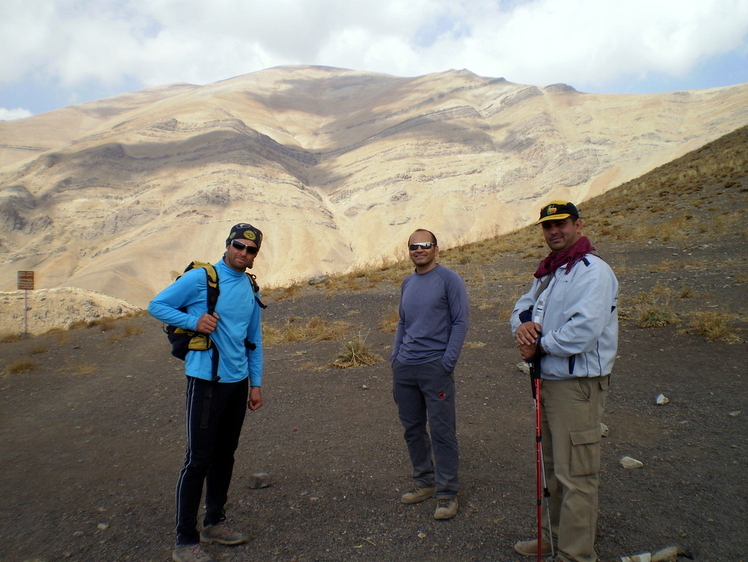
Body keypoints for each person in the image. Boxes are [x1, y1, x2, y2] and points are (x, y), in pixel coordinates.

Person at [148, 223, 265, 562]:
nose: (243, 253)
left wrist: (255, 384)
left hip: (237, 381)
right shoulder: (203, 278)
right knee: (198, 459)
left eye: (251, 250)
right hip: (206, 382)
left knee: (225, 455)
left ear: (255, 256)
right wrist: (194, 322)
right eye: (238, 246)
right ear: (228, 245)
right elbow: (156, 305)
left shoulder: (249, 286)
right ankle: (185, 540)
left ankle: (215, 521)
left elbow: (254, 340)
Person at [510, 201, 618, 562]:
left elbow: (584, 331)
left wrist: (538, 346)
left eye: (561, 224)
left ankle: (576, 554)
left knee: (577, 474)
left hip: (577, 386)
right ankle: (551, 540)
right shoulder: (548, 271)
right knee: (552, 469)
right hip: (550, 383)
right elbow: (522, 307)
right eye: (547, 226)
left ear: (578, 224)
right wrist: (523, 328)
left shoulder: (593, 271)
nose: (554, 231)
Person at [391, 229, 469, 520]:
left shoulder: (450, 280)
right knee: (412, 428)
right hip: (405, 367)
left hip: (435, 367)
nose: (419, 249)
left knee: (442, 431)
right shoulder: (407, 282)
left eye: (425, 245)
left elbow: (460, 322)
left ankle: (447, 493)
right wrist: (395, 357)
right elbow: (402, 322)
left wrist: (446, 362)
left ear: (437, 249)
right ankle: (424, 481)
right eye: (414, 246)